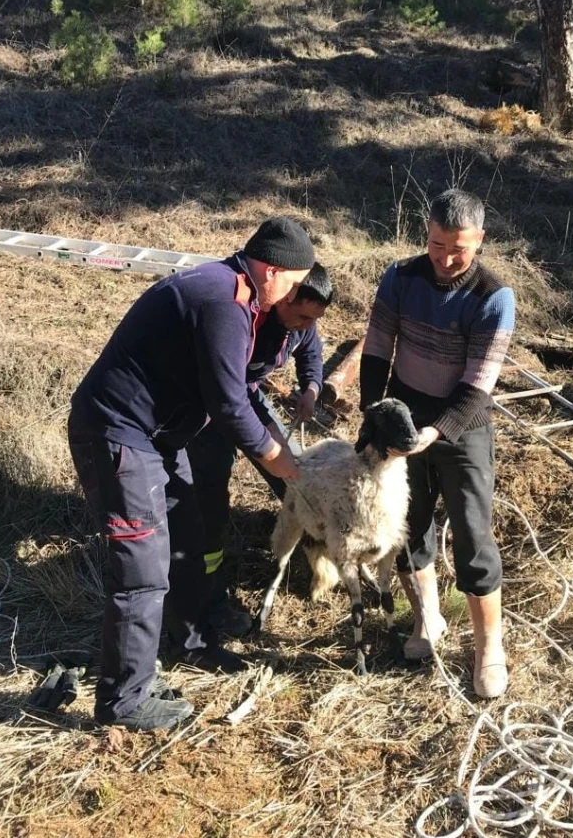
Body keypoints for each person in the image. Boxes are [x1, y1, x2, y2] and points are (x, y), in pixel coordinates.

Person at [68, 217, 315, 730]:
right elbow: (228, 405)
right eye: (294, 282)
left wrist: (277, 448)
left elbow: (240, 390)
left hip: (161, 438)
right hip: (118, 435)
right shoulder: (220, 300)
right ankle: (124, 700)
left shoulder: (242, 299)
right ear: (272, 271)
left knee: (186, 537)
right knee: (142, 566)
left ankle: (191, 642)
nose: (296, 294)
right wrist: (283, 463)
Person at [359, 189, 515, 698]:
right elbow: (379, 347)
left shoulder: (494, 297)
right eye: (436, 244)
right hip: (407, 414)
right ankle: (428, 620)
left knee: (472, 532)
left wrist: (437, 432)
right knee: (407, 525)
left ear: (481, 241)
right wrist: (374, 412)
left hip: (462, 425)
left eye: (459, 249)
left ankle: (489, 644)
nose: (446, 259)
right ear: (425, 234)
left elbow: (478, 384)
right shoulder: (401, 277)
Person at [180, 262, 334, 643]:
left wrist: (311, 389)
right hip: (209, 409)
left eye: (312, 318)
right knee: (209, 495)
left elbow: (310, 352)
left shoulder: (303, 322)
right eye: (299, 314)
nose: (303, 324)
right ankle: (206, 591)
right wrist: (267, 449)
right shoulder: (246, 321)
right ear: (283, 295)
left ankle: (313, 555)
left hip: (247, 398)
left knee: (298, 477)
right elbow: (226, 400)